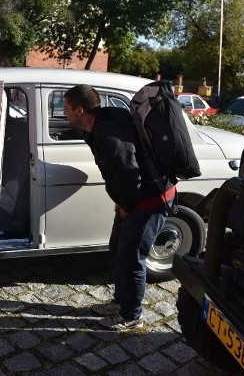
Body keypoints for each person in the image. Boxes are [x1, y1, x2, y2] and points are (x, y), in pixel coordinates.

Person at [63, 84, 175, 331]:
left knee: (132, 258)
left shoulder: (106, 133)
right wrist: (121, 202)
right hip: (135, 198)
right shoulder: (101, 123)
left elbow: (129, 173)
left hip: (150, 199)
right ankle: (120, 301)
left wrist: (126, 204)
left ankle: (132, 315)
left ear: (80, 109)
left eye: (66, 108)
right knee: (118, 250)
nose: (64, 113)